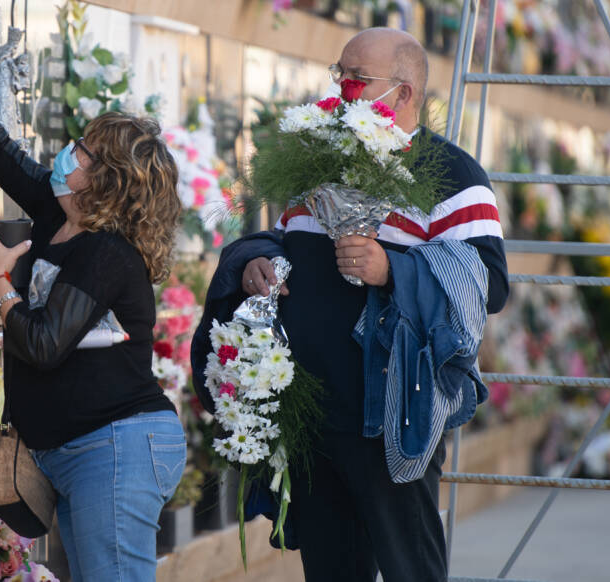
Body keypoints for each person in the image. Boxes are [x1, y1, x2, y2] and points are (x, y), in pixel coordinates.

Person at [191, 28, 509, 581]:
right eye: (338, 75)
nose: (340, 90)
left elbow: (489, 285)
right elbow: (285, 236)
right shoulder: (315, 161)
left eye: (356, 80)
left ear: (403, 93)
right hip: (312, 415)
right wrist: (256, 262)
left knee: (412, 569)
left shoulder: (455, 176)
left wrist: (393, 270)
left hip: (390, 414)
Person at [0, 38, 186, 581]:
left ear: (105, 178)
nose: (70, 152)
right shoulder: (58, 211)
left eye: (84, 152)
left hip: (116, 447)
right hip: (75, 449)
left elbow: (42, 342)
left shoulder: (107, 252)